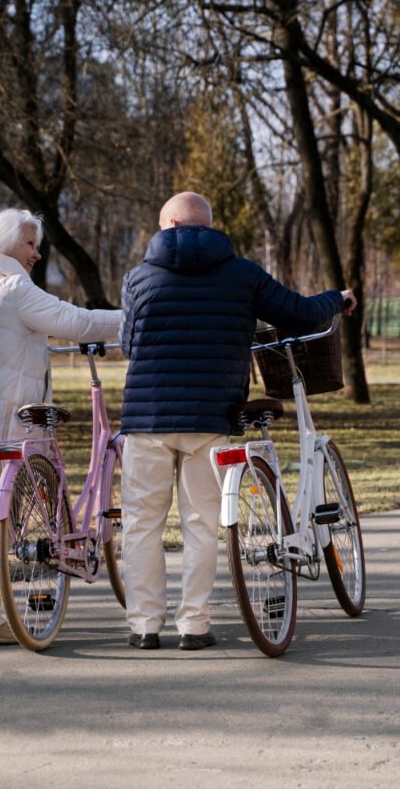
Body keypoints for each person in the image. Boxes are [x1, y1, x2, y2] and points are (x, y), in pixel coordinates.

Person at [119, 191, 355, 651]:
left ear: (166, 224)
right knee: (202, 523)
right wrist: (336, 298)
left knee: (141, 524)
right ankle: (194, 625)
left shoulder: (137, 278)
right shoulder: (242, 273)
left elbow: (130, 344)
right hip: (211, 415)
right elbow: (299, 313)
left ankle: (145, 626)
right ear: (208, 226)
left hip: (146, 418)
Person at [0, 208, 120, 645]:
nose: (37, 252)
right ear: (7, 244)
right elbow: (78, 323)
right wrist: (134, 319)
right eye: (30, 244)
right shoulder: (14, 289)